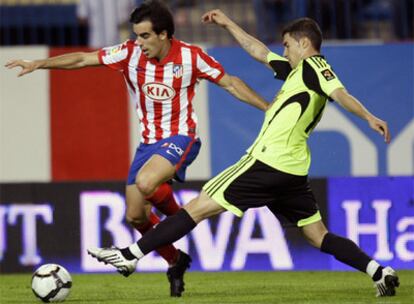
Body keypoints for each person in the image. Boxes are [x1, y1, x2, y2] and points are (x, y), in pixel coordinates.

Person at [87, 10, 400, 298]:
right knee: (318, 236)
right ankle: (379, 272)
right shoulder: (296, 73)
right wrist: (228, 24)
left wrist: (369, 116)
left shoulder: (313, 66)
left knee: (197, 208)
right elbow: (260, 53)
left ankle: (130, 255)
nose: (285, 51)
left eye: (288, 45)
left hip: (265, 161)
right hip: (292, 171)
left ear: (305, 43)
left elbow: (339, 93)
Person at [5, 1, 269, 297]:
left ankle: (182, 218)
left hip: (181, 137)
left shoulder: (192, 57)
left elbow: (231, 83)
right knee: (135, 216)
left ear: (164, 34)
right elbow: (82, 59)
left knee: (146, 182)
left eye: (145, 36)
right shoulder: (129, 54)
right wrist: (39, 64)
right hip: (148, 145)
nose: (138, 42)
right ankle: (176, 259)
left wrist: (269, 108)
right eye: (136, 35)